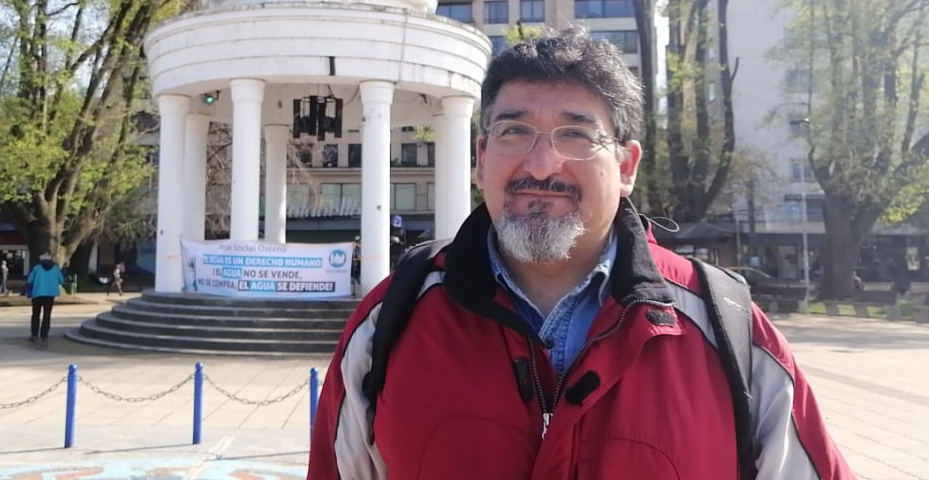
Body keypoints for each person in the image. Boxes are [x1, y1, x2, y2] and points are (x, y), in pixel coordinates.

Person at [309, 28, 853, 479]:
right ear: (480, 159)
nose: (542, 165)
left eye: (575, 134)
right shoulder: (389, 323)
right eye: (514, 131)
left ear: (626, 166)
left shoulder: (730, 329)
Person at [26, 252, 64, 342]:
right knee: (47, 315)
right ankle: (44, 334)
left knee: (36, 314)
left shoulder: (37, 268)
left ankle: (34, 334)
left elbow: (29, 280)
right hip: (50, 295)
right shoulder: (56, 268)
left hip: (37, 294)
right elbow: (61, 280)